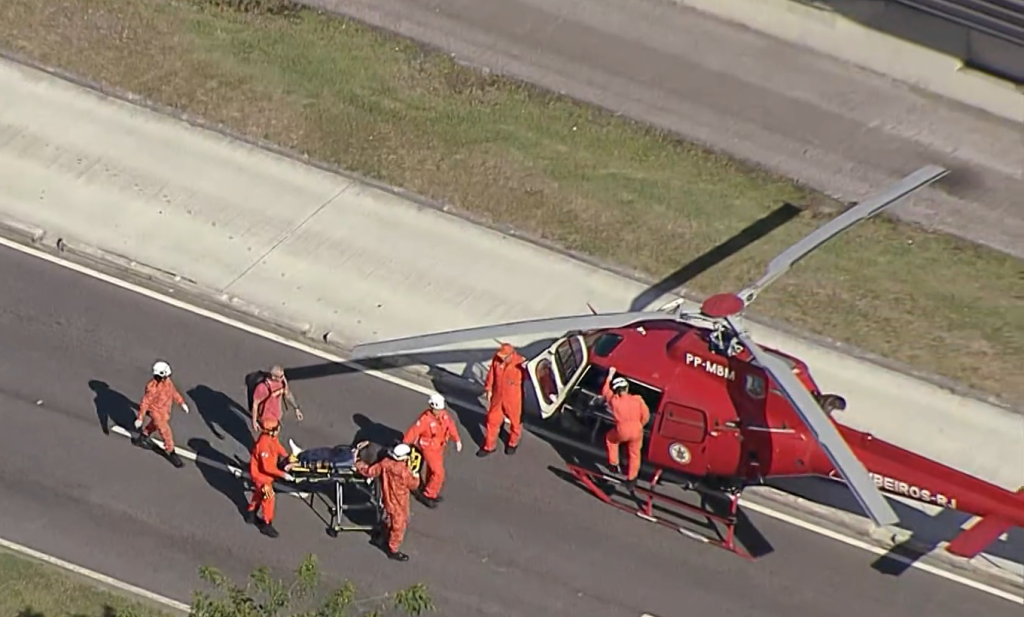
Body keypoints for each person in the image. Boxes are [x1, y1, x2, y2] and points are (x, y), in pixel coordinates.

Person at [354, 441, 420, 561]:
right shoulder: (404, 472)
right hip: (400, 501)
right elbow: (414, 485)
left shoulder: (385, 464)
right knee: (399, 526)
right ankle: (392, 549)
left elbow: (370, 472)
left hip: (387, 499)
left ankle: (382, 536)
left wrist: (359, 465)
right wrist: (416, 475)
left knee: (390, 518)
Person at [402, 393, 462, 508]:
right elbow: (414, 431)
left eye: (441, 409)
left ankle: (430, 488)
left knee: (432, 471)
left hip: (439, 446)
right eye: (437, 409)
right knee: (439, 473)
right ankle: (429, 494)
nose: (440, 412)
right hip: (429, 448)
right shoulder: (425, 420)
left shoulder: (444, 415)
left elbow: (450, 426)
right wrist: (405, 444)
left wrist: (457, 439)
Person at [132, 360, 190, 468]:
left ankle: (143, 437)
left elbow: (173, 392)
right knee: (165, 432)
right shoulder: (152, 388)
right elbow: (145, 403)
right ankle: (171, 452)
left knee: (154, 425)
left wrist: (181, 402)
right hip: (157, 412)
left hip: (165, 411)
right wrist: (140, 418)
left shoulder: (168, 382)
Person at [245, 416, 295, 538]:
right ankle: (266, 523)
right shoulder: (263, 445)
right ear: (271, 430)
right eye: (277, 428)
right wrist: (283, 475)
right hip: (261, 478)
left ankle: (250, 514)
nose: (279, 429)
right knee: (269, 497)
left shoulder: (271, 438)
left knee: (258, 494)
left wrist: (287, 456)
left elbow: (277, 447)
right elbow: (267, 468)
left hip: (264, 477)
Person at [601, 367, 650, 491]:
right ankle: (632, 479)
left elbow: (605, 391)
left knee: (611, 439)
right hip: (637, 428)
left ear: (616, 390)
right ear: (627, 388)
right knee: (635, 454)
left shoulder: (614, 400)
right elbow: (646, 416)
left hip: (622, 429)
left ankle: (613, 464)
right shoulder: (637, 399)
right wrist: (640, 425)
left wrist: (610, 375)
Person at [478, 343, 526, 457]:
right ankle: (489, 446)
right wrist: (488, 388)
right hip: (498, 397)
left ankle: (513, 443)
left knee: (515, 423)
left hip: (514, 400)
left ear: (511, 355)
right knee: (492, 421)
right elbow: (492, 375)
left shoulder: (521, 364)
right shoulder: (497, 360)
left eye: (504, 357)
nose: (501, 359)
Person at [250, 365, 303, 433]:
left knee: (273, 437)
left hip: (277, 415)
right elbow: (255, 404)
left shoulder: (282, 382)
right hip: (267, 418)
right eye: (280, 376)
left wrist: (296, 408)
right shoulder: (262, 388)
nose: (283, 377)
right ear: (273, 377)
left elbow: (287, 394)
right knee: (269, 438)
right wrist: (254, 422)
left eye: (283, 375)